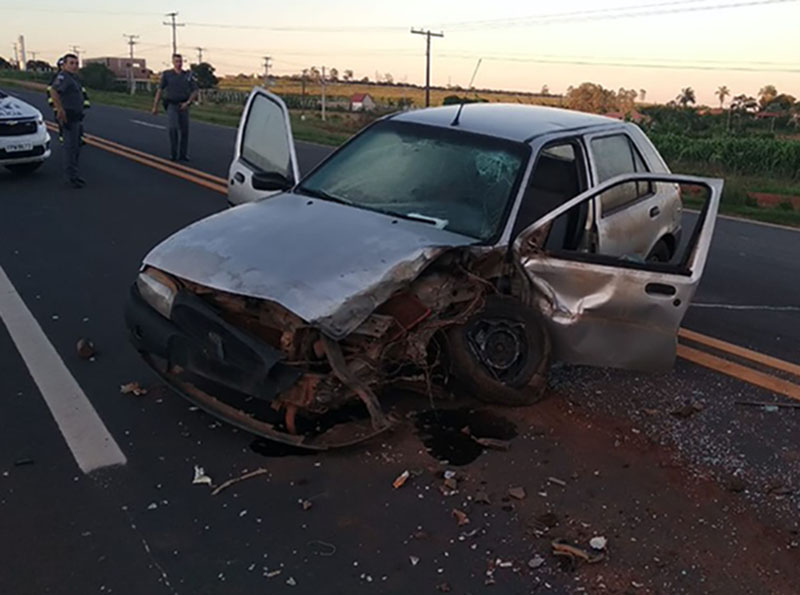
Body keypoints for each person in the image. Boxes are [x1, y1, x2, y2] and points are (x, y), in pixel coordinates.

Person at [152, 54, 198, 162]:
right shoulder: (167, 75)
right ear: (173, 62)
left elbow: (195, 90)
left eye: (180, 61)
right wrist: (155, 106)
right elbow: (160, 90)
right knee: (173, 128)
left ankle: (183, 154)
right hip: (172, 104)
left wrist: (188, 102)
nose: (179, 64)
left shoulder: (188, 75)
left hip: (184, 105)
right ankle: (173, 153)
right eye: (176, 61)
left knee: (185, 130)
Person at [50, 53, 86, 188]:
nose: (74, 66)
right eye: (71, 63)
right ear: (64, 65)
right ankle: (70, 177)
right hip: (68, 117)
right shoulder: (63, 77)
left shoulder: (73, 78)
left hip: (76, 116)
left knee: (76, 147)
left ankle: (74, 175)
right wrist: (60, 109)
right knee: (70, 147)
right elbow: (54, 91)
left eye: (76, 63)